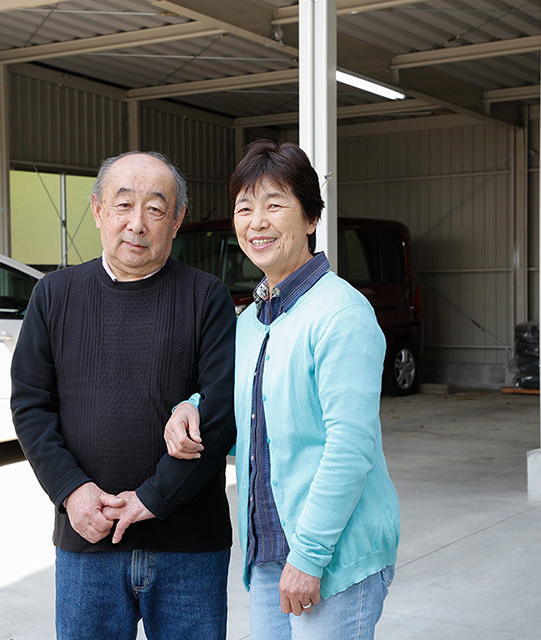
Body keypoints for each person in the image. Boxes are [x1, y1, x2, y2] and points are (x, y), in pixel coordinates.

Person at [165, 140, 400, 640]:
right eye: (244, 208)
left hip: (331, 557)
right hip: (270, 552)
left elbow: (350, 446)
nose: (257, 222)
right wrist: (192, 407)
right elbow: (246, 414)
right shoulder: (252, 320)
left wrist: (310, 556)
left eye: (274, 204)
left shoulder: (341, 313)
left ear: (311, 218)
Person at [11, 150, 237, 639]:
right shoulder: (54, 295)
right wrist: (71, 491)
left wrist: (153, 498)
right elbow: (31, 405)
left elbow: (222, 409)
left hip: (189, 549)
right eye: (123, 205)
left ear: (176, 221)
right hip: (87, 543)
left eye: (155, 209)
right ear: (97, 210)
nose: (137, 223)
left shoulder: (206, 297)